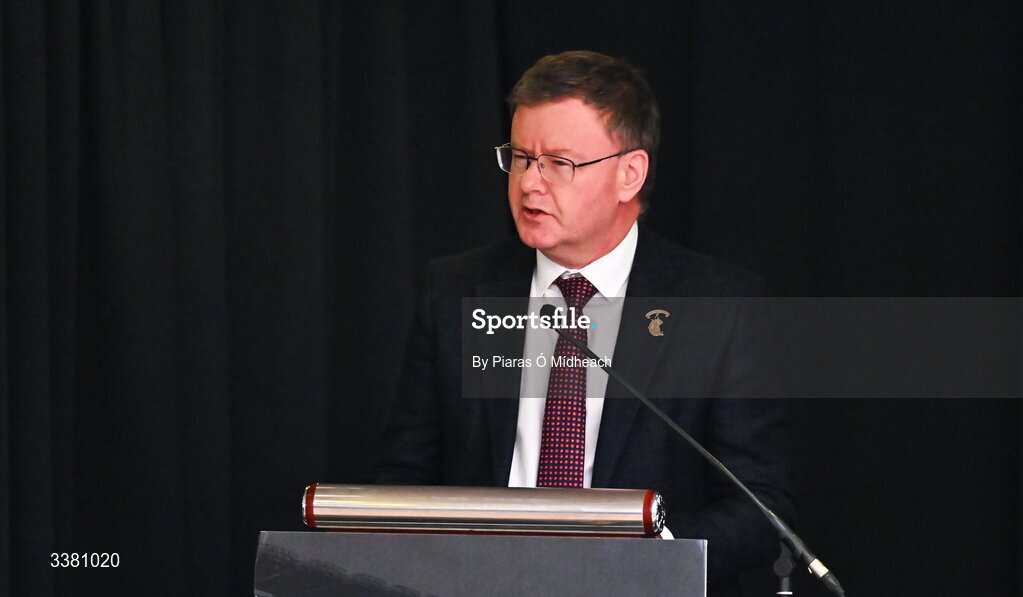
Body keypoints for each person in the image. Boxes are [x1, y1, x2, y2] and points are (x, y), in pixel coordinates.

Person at [374, 50, 794, 594]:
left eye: (559, 162)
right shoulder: (457, 291)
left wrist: (646, 565)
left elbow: (759, 506)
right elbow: (403, 481)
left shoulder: (717, 306)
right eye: (521, 157)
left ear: (629, 174)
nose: (530, 183)